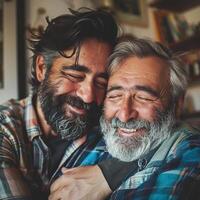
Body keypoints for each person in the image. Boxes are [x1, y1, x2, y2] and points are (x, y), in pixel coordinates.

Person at [49, 37, 200, 200]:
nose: (124, 115)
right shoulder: (94, 134)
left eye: (143, 97)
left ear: (177, 104)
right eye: (115, 95)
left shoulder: (190, 153)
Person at [0, 8, 119, 199]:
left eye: (101, 83)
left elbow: (172, 137)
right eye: (75, 75)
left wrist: (110, 174)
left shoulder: (106, 124)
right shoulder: (5, 128)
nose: (88, 96)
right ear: (41, 69)